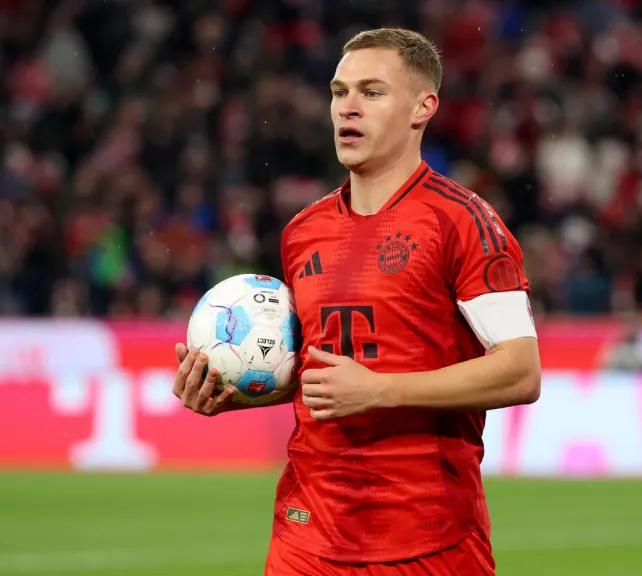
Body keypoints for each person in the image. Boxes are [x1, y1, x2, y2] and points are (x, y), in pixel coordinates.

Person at [172, 28, 541, 576]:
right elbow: (330, 371)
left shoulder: (464, 223)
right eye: (339, 92)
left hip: (427, 538)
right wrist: (241, 392)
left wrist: (382, 390)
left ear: (423, 107)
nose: (347, 108)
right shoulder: (304, 231)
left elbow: (520, 372)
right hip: (306, 533)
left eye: (371, 92)